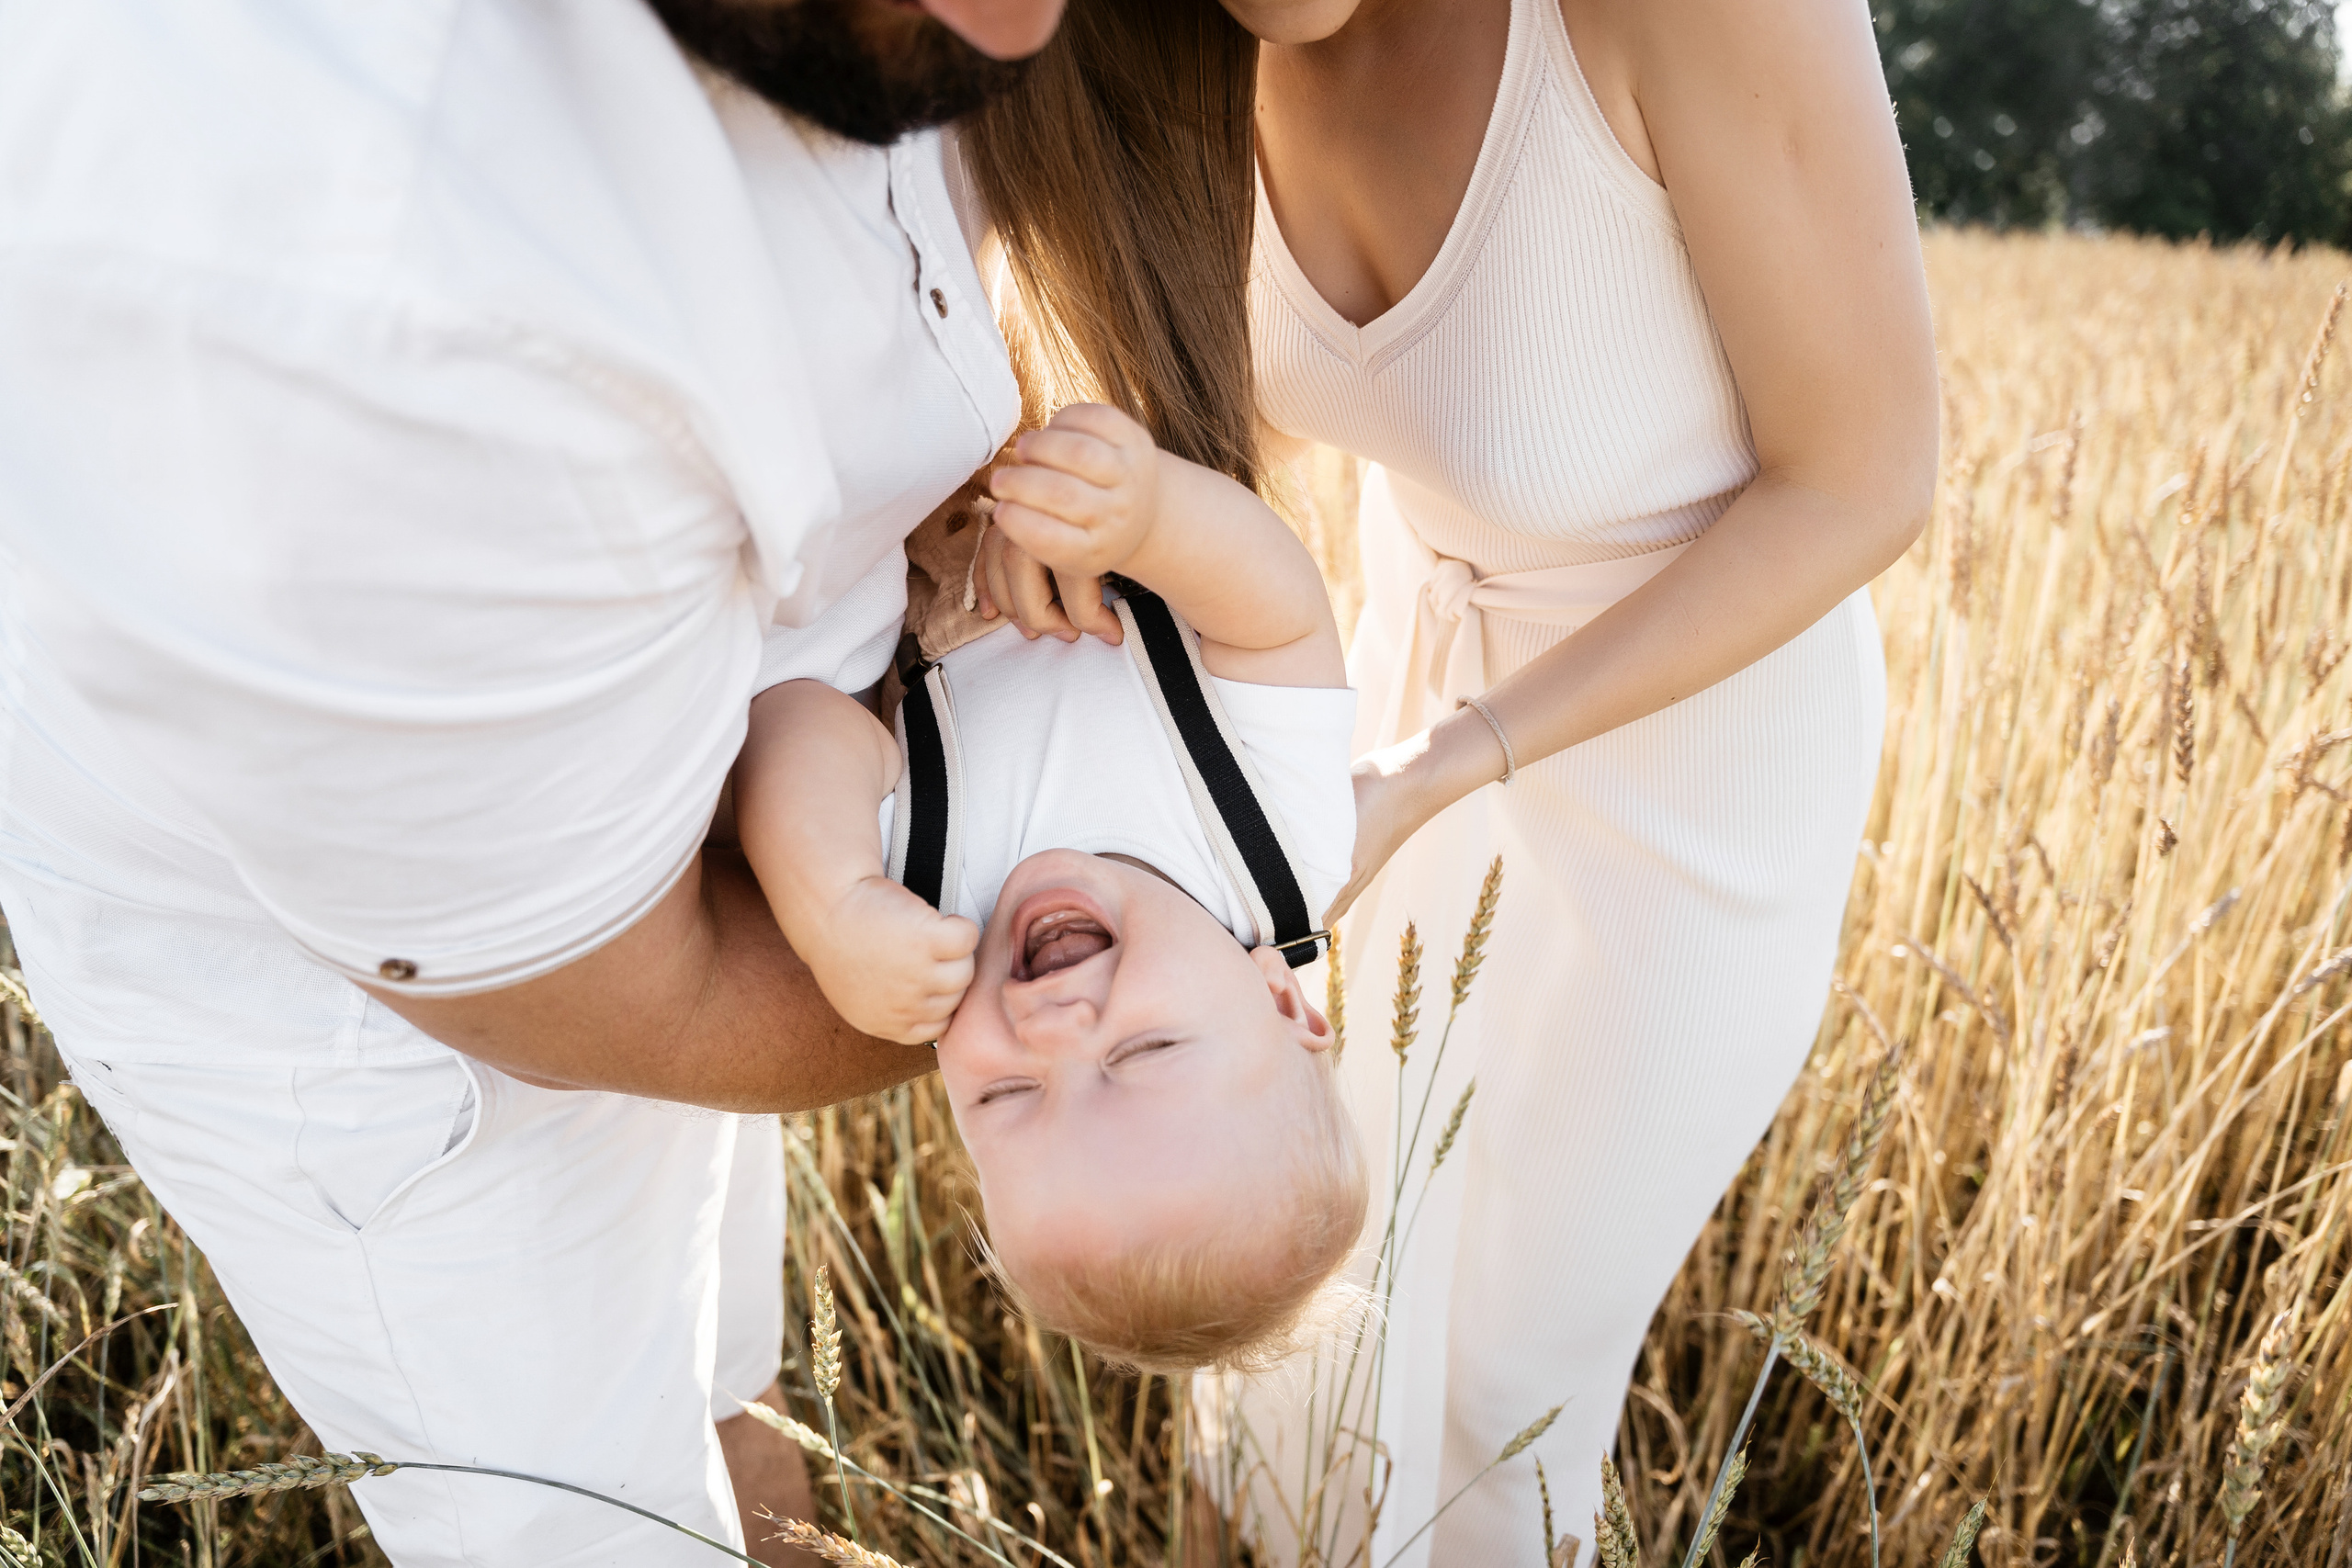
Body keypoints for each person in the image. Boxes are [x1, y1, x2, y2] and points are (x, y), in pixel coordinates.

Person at [0, 0, 1068, 1562]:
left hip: (704, 801)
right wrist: (1112, 975)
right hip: (417, 1035)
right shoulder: (338, 277)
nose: (1024, 18)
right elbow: (628, 998)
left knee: (721, 1375)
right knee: (594, 1510)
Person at [1069, 0, 1933, 1560]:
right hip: (1400, 706)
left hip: (1696, 768)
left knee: (1496, 1386)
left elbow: (1868, 475)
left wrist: (1447, 758)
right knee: (1293, 1319)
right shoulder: (1150, 40)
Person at [734, 401, 1366, 1370]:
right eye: (1144, 1050)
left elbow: (802, 721)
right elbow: (1278, 621)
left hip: (895, 502)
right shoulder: (1279, 851)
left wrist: (832, 906)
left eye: (1010, 1095)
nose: (1057, 1026)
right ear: (1280, 995)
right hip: (1116, 466)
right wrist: (1149, 518)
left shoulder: (926, 915)